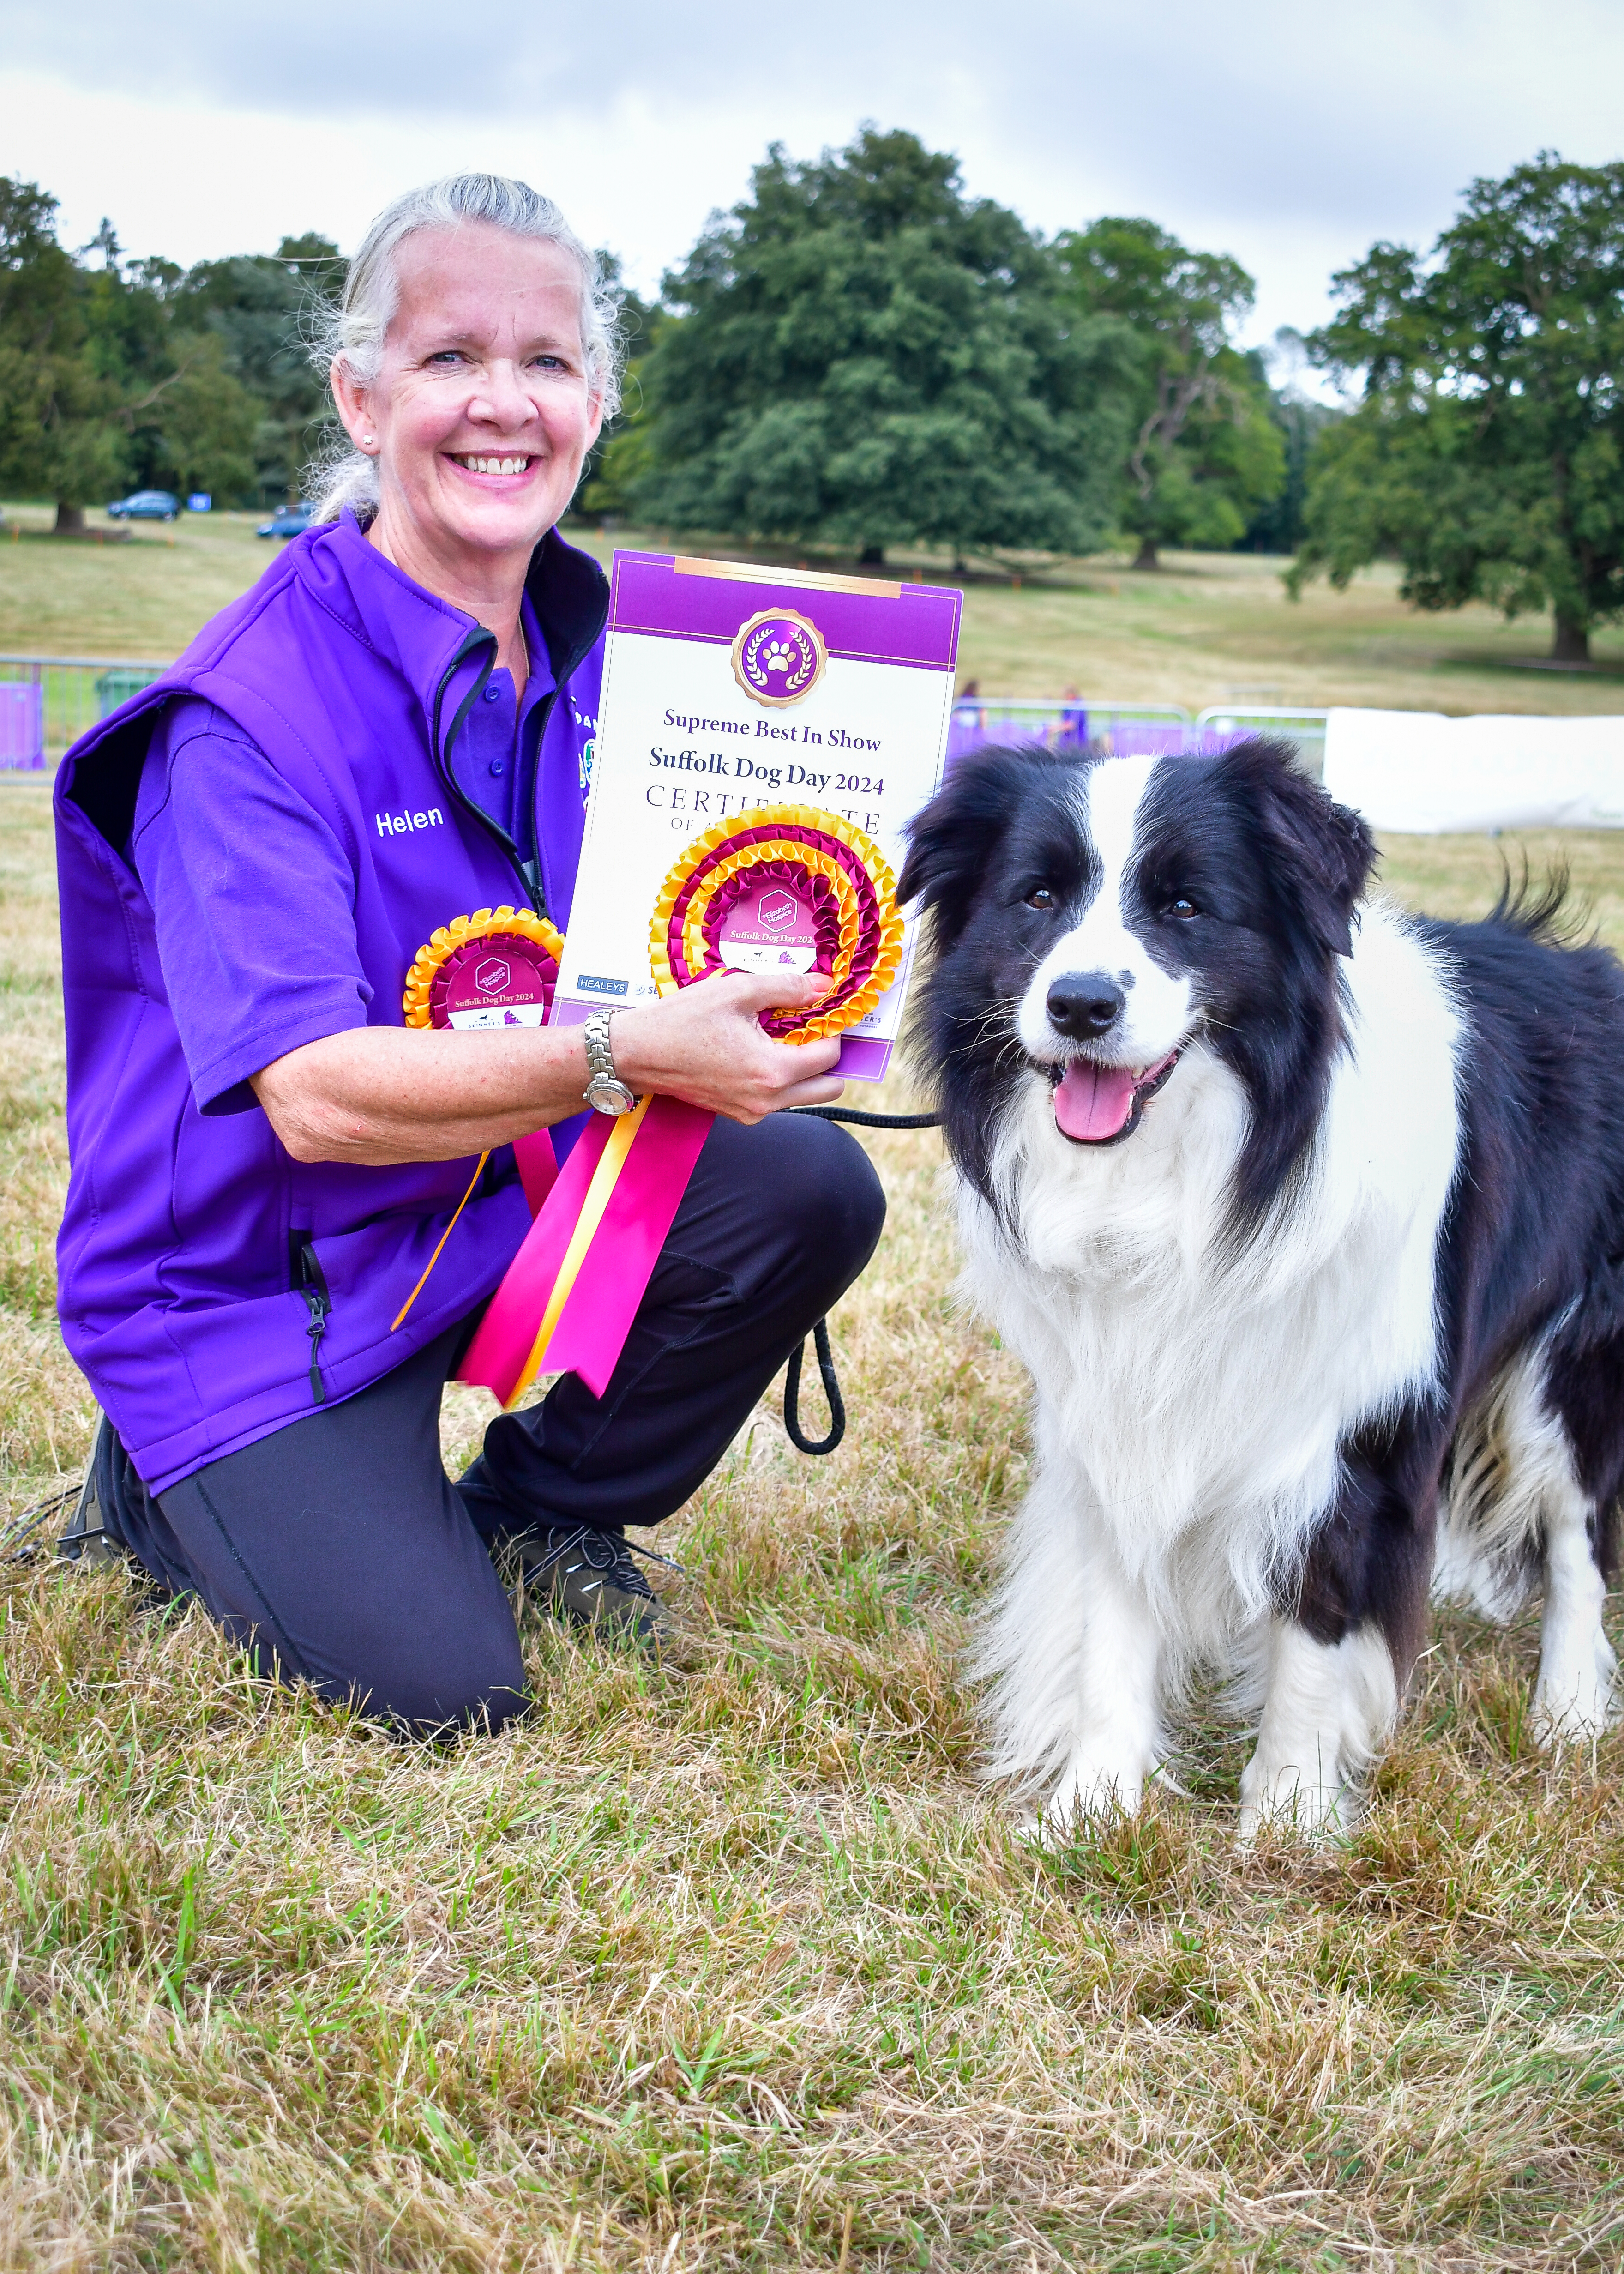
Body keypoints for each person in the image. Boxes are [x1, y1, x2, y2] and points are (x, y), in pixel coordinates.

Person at [54, 174, 885, 1736]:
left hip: (492, 1205)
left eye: (547, 361)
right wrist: (625, 1054)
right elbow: (314, 1099)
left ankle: (544, 1509)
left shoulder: (638, 670)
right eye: (449, 358)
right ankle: (164, 1484)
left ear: (596, 405)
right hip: (254, 1289)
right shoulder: (243, 715)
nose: (503, 404)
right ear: (360, 398)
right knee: (450, 1697)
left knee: (807, 1187)